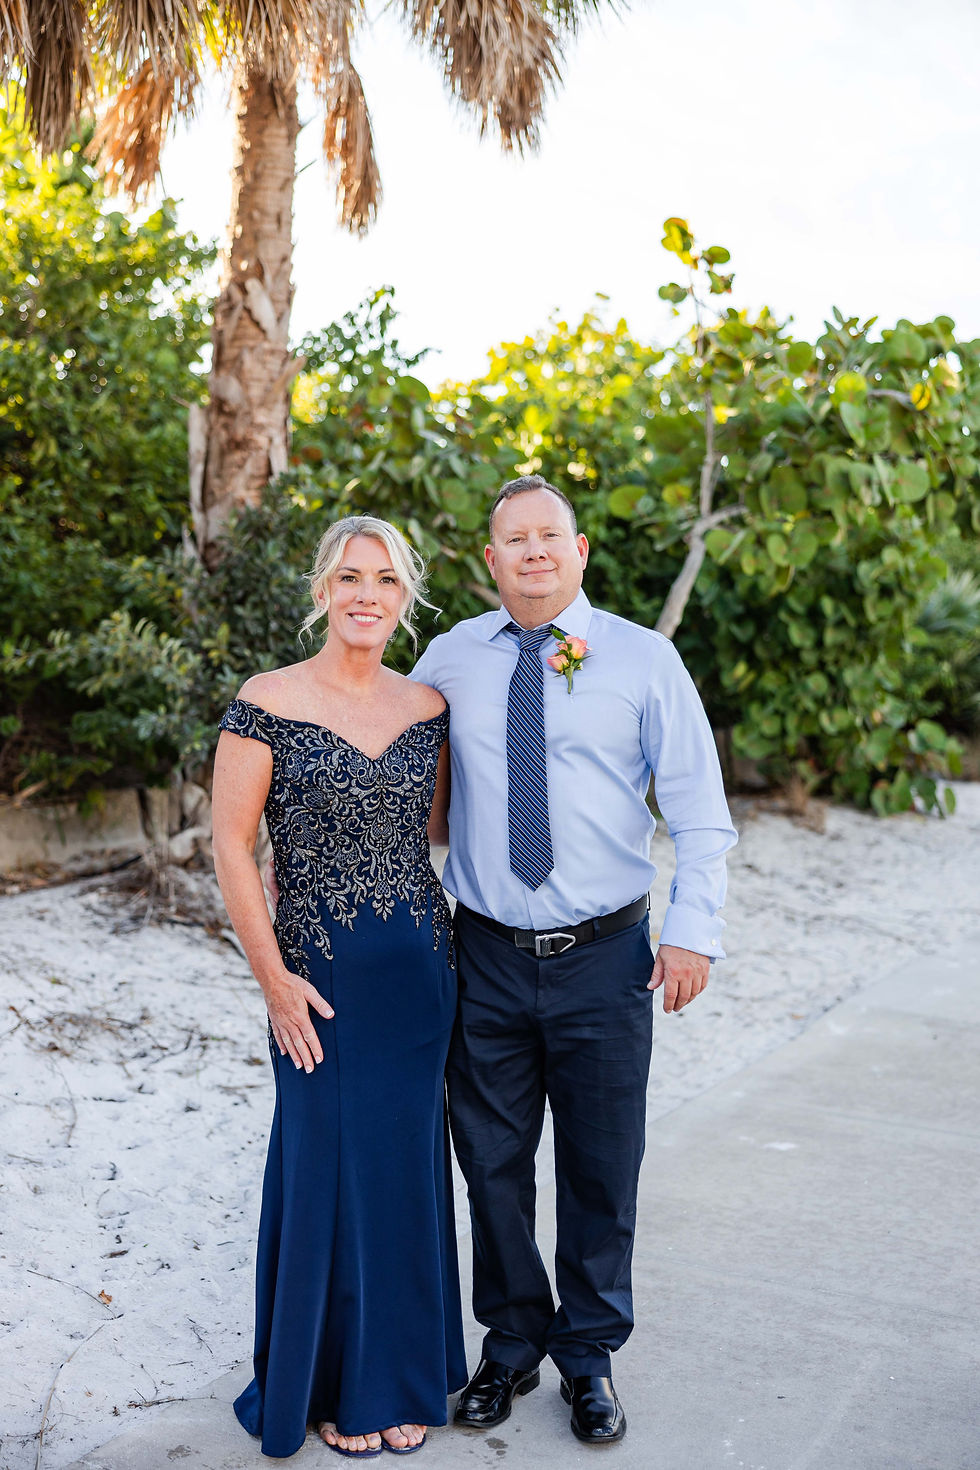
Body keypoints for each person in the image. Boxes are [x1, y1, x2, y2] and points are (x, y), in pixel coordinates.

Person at [410, 475, 737, 1446]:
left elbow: (698, 812)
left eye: (549, 536)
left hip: (606, 957)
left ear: (580, 550)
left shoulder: (643, 659)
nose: (533, 553)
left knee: (601, 1166)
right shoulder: (448, 658)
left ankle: (586, 1357)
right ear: (490, 560)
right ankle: (509, 1342)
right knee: (492, 1165)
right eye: (514, 540)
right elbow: (404, 783)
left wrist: (690, 931)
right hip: (484, 956)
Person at [211, 514, 467, 1460]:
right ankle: (323, 1384)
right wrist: (273, 981)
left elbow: (436, 834)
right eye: (351, 577)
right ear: (323, 589)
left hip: (421, 979)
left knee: (403, 1175)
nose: (368, 594)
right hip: (313, 983)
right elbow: (233, 848)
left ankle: (397, 1380)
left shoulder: (430, 707)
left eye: (387, 580)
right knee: (324, 1166)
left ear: (406, 599)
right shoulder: (267, 699)